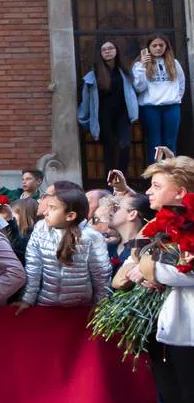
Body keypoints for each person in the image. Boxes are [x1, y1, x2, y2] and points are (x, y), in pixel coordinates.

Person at [131, 155, 194, 403]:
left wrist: (152, 270)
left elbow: (187, 271)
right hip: (171, 329)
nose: (149, 192)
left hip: (191, 328)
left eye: (157, 186)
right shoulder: (159, 226)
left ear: (181, 191)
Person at [16, 188, 110, 311]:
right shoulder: (40, 230)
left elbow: (101, 276)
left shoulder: (91, 237)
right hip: (45, 305)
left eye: (52, 208)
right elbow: (33, 268)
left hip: (79, 309)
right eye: (47, 207)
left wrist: (99, 306)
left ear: (70, 215)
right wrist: (27, 300)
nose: (45, 213)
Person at [78, 39, 139, 174]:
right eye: (104, 49)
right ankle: (110, 185)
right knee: (109, 149)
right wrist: (85, 120)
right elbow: (86, 101)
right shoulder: (93, 76)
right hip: (104, 116)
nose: (107, 51)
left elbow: (134, 92)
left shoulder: (125, 72)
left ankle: (122, 181)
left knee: (125, 145)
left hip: (123, 114)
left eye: (110, 48)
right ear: (100, 54)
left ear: (116, 51)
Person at [131, 35, 186, 164]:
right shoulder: (139, 65)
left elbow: (181, 85)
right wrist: (143, 67)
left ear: (166, 47)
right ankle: (155, 177)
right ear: (148, 48)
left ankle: (171, 177)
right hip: (150, 108)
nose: (158, 48)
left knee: (170, 143)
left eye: (161, 45)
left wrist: (175, 98)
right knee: (154, 143)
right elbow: (139, 88)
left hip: (171, 107)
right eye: (154, 45)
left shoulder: (174, 63)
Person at [108, 191, 153, 268]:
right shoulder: (109, 246)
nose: (110, 212)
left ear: (132, 214)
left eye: (116, 208)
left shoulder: (146, 250)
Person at [6, 197, 39, 262]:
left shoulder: (32, 239)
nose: (11, 220)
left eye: (13, 217)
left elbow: (17, 251)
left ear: (25, 218)